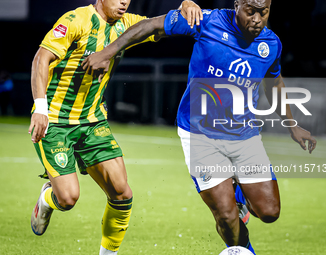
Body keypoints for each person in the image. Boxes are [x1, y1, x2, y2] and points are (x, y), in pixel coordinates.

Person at [81, 0, 318, 254]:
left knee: (270, 212)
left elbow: (274, 82)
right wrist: (107, 52)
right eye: (251, 11)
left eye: (264, 12)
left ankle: (238, 194)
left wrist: (292, 125)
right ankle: (244, 250)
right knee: (226, 216)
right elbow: (150, 26)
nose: (258, 19)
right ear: (237, 5)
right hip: (199, 135)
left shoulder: (270, 44)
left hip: (244, 136)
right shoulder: (207, 21)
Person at [28, 1, 202, 254]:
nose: (124, 2)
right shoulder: (75, 20)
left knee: (122, 195)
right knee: (67, 199)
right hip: (55, 121)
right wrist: (41, 109)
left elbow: (163, 25)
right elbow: (40, 59)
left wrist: (185, 5)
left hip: (93, 121)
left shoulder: (127, 24)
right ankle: (47, 200)